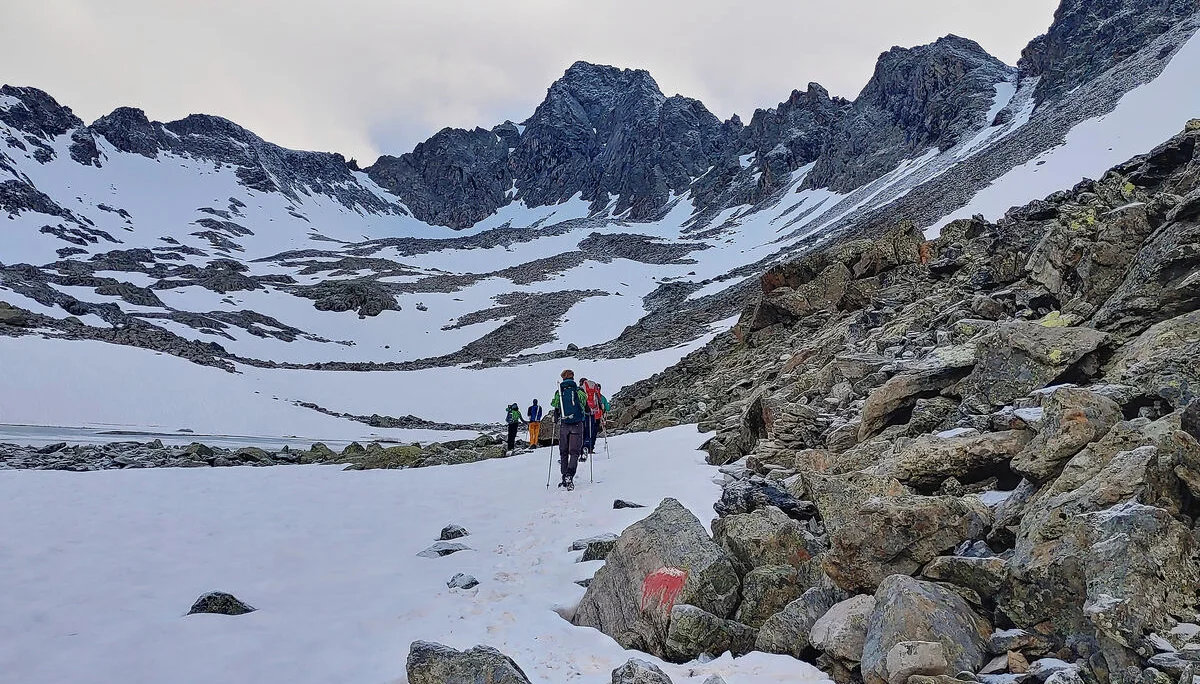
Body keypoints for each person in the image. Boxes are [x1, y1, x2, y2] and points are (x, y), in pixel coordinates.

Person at [551, 369, 588, 489]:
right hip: (577, 423)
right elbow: (584, 404)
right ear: (573, 378)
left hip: (564, 424)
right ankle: (570, 475)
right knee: (574, 452)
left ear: (563, 378)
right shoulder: (579, 391)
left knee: (563, 452)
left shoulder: (559, 392)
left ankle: (564, 476)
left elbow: (555, 405)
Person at [580, 378, 608, 457]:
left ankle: (583, 448)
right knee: (593, 432)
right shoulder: (600, 396)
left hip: (586, 415)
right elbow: (606, 407)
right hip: (597, 415)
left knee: (584, 432)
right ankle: (591, 448)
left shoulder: (581, 392)